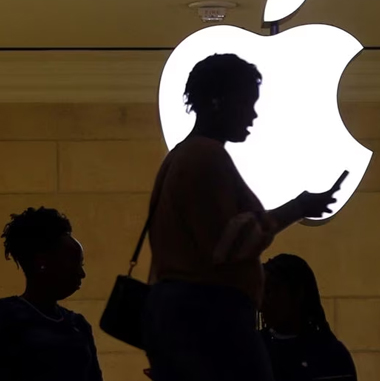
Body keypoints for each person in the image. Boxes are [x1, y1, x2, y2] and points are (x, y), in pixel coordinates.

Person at [143, 53, 344, 381]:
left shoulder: (183, 155)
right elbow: (227, 244)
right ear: (219, 102)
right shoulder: (206, 158)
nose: (252, 115)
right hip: (211, 319)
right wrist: (296, 208)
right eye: (246, 102)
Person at [0, 207, 102, 381]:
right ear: (42, 262)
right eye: (73, 262)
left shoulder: (78, 324)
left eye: (81, 264)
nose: (81, 273)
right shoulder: (4, 315)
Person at [260, 254, 357, 381]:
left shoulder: (330, 355)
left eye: (271, 291)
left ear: (298, 294)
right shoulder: (253, 349)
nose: (263, 301)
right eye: (262, 291)